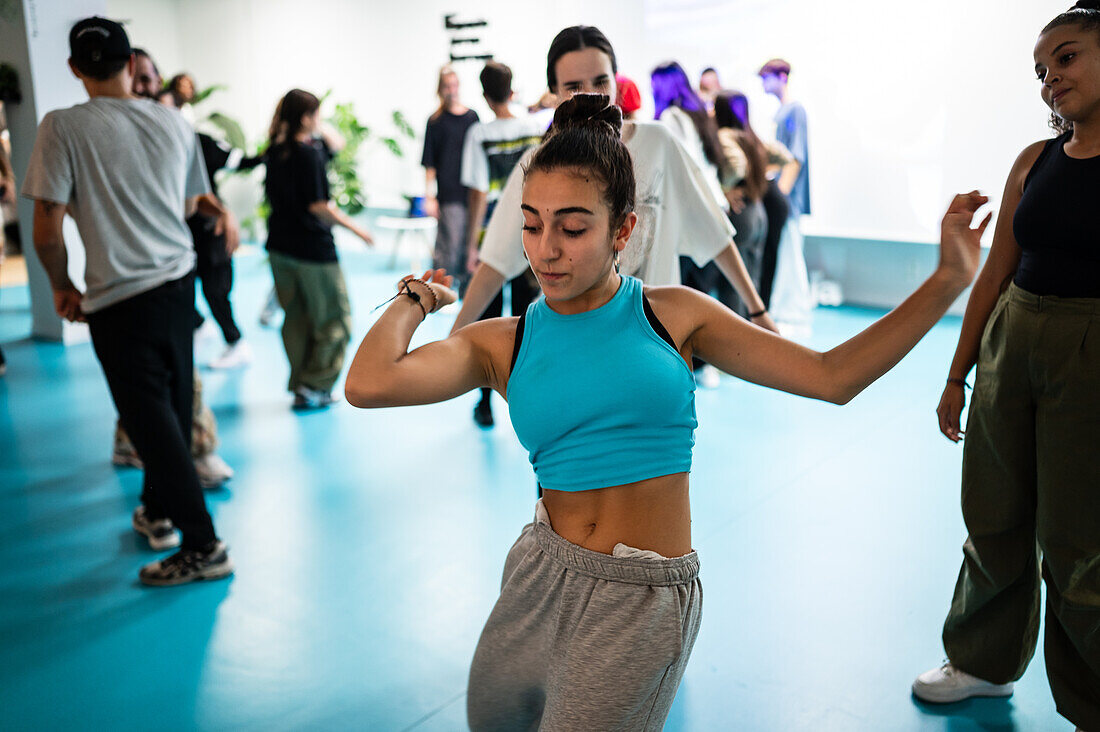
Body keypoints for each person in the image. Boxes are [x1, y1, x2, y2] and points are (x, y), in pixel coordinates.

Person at [345, 93, 986, 731]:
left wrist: (946, 282)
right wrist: (414, 299)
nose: (545, 250)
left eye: (572, 228)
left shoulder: (673, 315)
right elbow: (369, 384)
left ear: (622, 229)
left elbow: (831, 376)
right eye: (531, 224)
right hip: (537, 576)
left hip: (638, 598)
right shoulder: (503, 342)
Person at [911, 4, 1100, 730]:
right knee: (993, 514)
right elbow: (994, 276)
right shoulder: (1036, 159)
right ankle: (985, 664)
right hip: (1012, 340)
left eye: (1068, 57)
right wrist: (958, 375)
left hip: (1092, 356)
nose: (1052, 78)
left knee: (1080, 540)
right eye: (1042, 70)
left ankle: (1093, 698)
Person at [22, 17, 234, 585]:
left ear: (73, 68)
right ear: (128, 63)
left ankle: (203, 546)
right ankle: (159, 510)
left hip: (119, 297)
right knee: (171, 408)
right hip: (177, 283)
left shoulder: (62, 126)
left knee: (151, 422)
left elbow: (46, 225)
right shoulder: (173, 121)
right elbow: (194, 201)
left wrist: (62, 285)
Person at [452, 25, 779, 337]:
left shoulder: (658, 143)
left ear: (617, 81)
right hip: (577, 340)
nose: (591, 95)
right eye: (574, 87)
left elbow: (712, 230)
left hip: (656, 338)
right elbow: (495, 262)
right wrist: (452, 341)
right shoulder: (541, 163)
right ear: (554, 92)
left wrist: (757, 310)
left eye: (601, 80)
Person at [111, 47, 235, 489]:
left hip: (169, 274)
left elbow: (192, 192)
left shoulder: (170, 128)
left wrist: (223, 212)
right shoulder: (107, 132)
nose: (144, 85)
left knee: (171, 373)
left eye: (150, 77)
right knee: (148, 375)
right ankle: (161, 451)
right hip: (123, 277)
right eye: (136, 77)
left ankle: (186, 449)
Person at [264, 89, 374, 410]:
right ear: (305, 118)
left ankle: (303, 384)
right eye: (317, 115)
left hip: (280, 249)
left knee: (297, 319)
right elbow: (319, 207)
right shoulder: (307, 155)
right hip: (313, 252)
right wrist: (359, 230)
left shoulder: (277, 149)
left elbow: (335, 145)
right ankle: (317, 385)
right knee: (334, 319)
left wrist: (312, 123)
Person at [459, 61, 545, 428]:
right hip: (528, 233)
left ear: (483, 93)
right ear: (512, 88)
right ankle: (528, 396)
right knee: (527, 319)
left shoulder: (479, 134)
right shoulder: (533, 129)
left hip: (493, 235)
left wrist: (470, 243)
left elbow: (479, 191)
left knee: (488, 320)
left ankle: (485, 401)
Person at [156, 83, 252, 369]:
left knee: (215, 292)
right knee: (177, 288)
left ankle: (235, 342)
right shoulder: (158, 146)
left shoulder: (197, 141)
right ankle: (200, 326)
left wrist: (224, 213)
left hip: (210, 231)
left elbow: (199, 193)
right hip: (181, 235)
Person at [713, 90, 800, 318]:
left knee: (734, 285)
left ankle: (732, 347)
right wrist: (759, 175)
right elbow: (784, 156)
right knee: (751, 281)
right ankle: (748, 339)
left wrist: (725, 188)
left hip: (741, 214)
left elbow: (735, 165)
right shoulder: (751, 137)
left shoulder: (725, 135)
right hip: (759, 214)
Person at [422, 66, 479, 293]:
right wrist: (429, 197)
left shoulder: (472, 117)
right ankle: (439, 291)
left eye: (454, 85)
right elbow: (429, 164)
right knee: (449, 245)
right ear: (440, 89)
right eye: (447, 86)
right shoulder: (435, 122)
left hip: (472, 191)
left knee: (470, 245)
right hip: (449, 193)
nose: (451, 90)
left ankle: (467, 294)